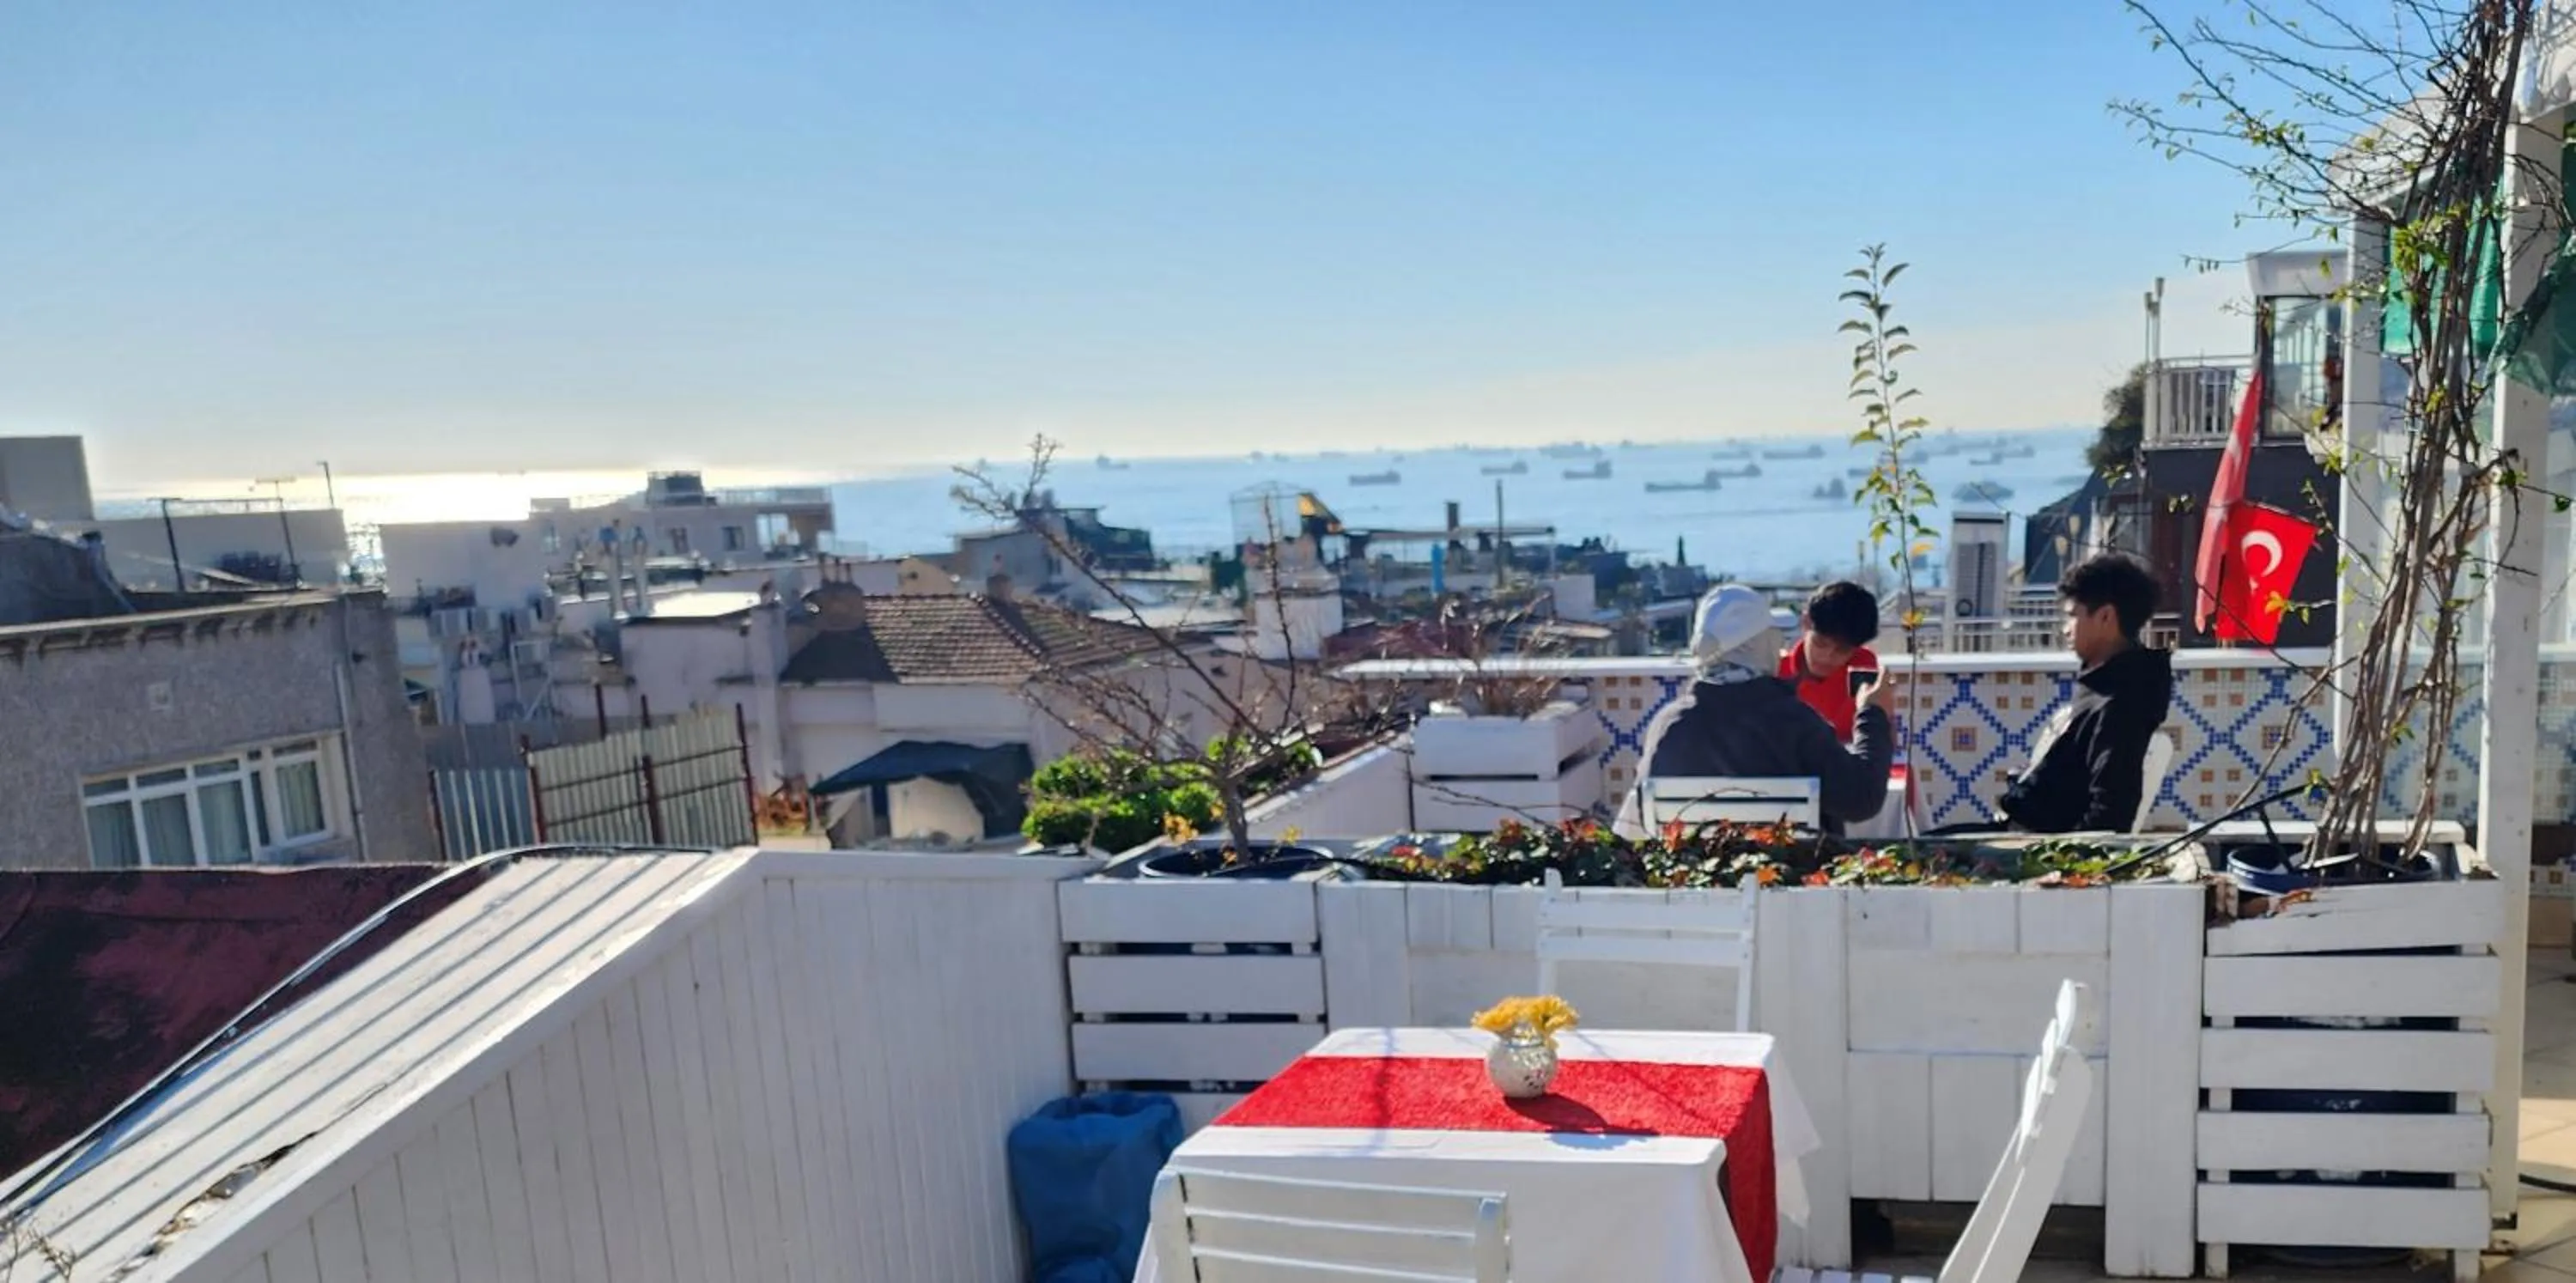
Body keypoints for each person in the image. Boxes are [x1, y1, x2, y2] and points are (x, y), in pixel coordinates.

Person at [1628, 584, 1895, 835]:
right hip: (1793, 876)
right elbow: (1862, 800)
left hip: (1698, 877)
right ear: (1763, 643)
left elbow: (1643, 813)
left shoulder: (1667, 724)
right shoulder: (1793, 721)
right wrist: (1873, 713)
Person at [1995, 552, 2174, 833]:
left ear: (2105, 617)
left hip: (2044, 854)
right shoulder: (2103, 685)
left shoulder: (2121, 702)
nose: (2065, 629)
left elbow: (2111, 814)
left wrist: (2061, 868)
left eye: (2072, 616)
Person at [1779, 581, 1881, 741]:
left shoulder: (1861, 669)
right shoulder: (1774, 671)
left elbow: (1882, 739)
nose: (1828, 656)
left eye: (1843, 650)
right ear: (1806, 623)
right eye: (1820, 643)